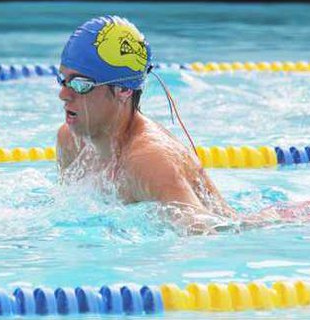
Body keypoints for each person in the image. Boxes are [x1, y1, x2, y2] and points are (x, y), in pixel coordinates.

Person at [56, 15, 236, 232]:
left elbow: (206, 233)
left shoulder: (149, 160)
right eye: (63, 80)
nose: (63, 94)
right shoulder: (71, 141)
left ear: (123, 89)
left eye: (81, 85)